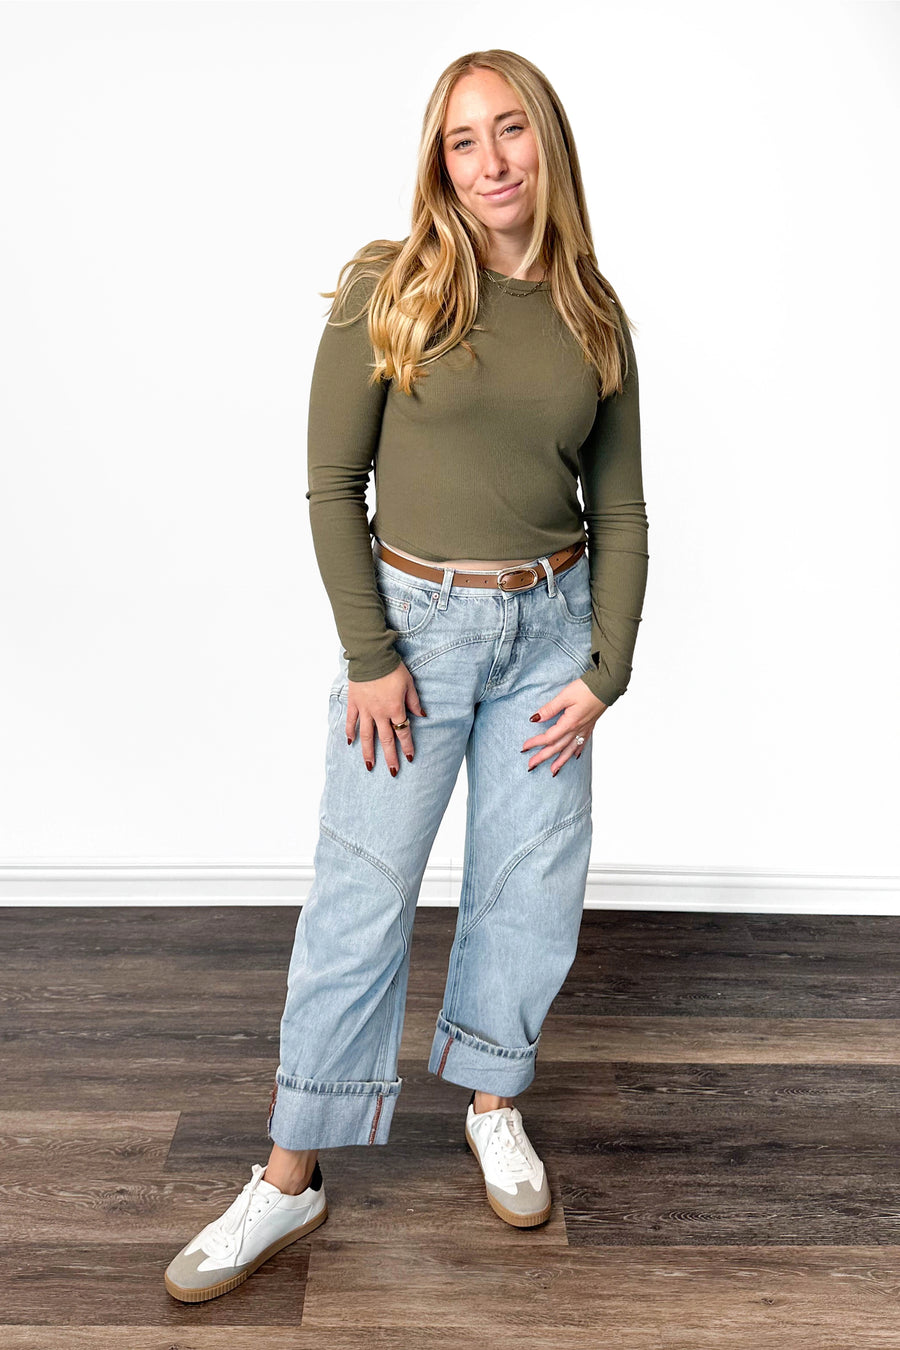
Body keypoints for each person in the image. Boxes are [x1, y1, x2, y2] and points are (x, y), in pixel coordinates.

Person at [165, 46, 649, 1303]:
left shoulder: (592, 310)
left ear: (547, 139)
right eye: (461, 140)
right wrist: (371, 656)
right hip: (415, 636)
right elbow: (334, 484)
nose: (490, 161)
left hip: (551, 632)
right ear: (439, 161)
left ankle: (493, 1101)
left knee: (530, 887)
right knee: (361, 897)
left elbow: (622, 509)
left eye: (510, 130)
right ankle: (289, 1176)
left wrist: (608, 667)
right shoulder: (392, 286)